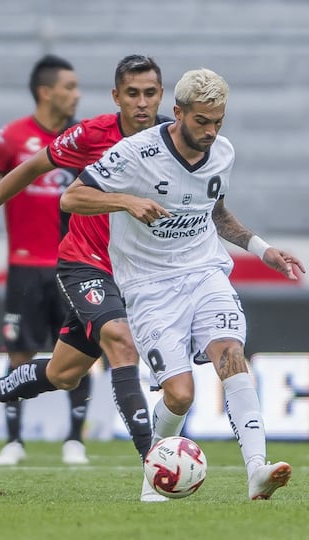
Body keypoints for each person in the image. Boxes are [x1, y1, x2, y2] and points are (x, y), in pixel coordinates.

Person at [59, 68, 306, 500]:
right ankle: (154, 469)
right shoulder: (134, 153)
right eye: (202, 121)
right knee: (179, 395)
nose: (211, 131)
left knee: (231, 354)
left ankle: (257, 470)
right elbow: (72, 197)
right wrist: (127, 200)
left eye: (218, 122)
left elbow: (218, 214)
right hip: (148, 286)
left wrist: (262, 248)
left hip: (205, 271)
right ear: (178, 113)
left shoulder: (223, 153)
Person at [0, 55, 171, 501]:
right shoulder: (92, 134)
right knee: (120, 340)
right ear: (117, 97)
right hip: (83, 261)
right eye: (132, 93)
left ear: (162, 95)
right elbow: (30, 169)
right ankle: (153, 463)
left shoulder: (170, 137)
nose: (142, 102)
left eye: (150, 93)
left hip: (133, 270)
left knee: (63, 373)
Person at [0, 54, 92, 466]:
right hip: (23, 264)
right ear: (45, 91)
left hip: (73, 264)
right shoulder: (12, 137)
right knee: (19, 353)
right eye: (69, 87)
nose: (76, 94)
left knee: (79, 349)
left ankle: (75, 441)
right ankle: (13, 441)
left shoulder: (83, 138)